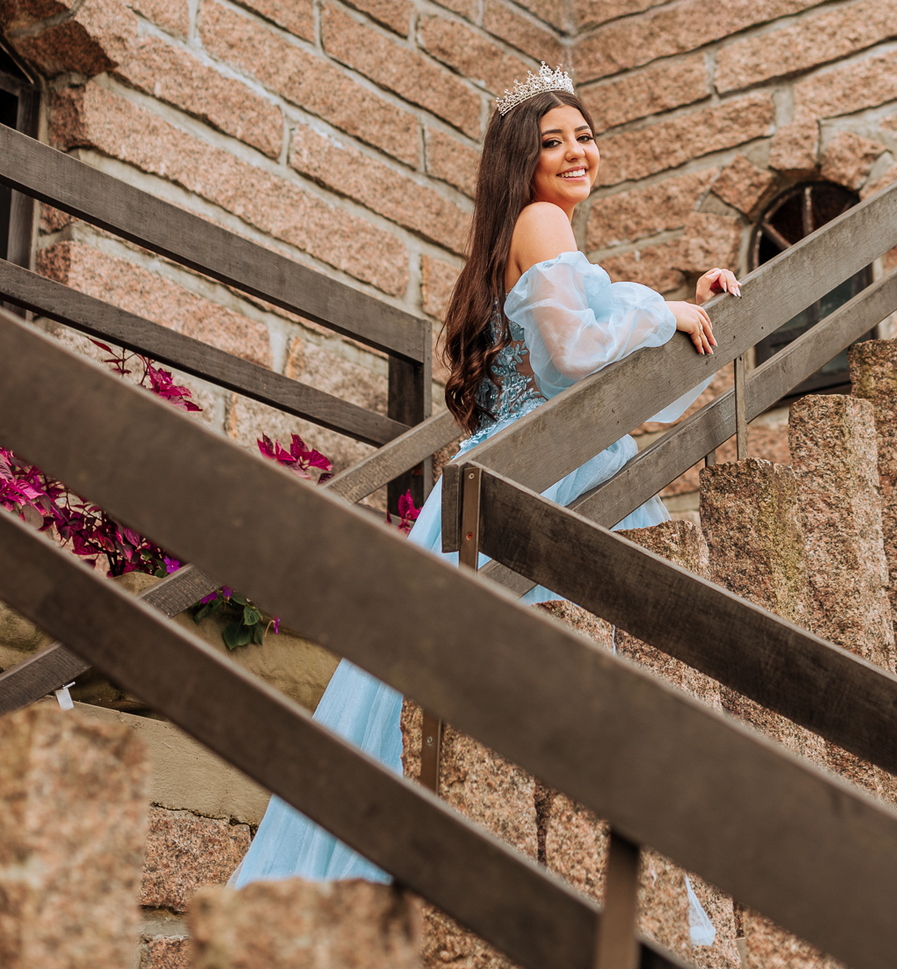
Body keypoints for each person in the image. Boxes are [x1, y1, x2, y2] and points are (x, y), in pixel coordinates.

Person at [232, 63, 740, 901]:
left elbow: (604, 379)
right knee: (560, 679)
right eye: (552, 142)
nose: (576, 153)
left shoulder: (532, 236)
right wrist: (662, 312)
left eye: (584, 136)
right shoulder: (542, 222)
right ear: (521, 162)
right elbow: (573, 354)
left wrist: (688, 309)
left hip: (535, 467)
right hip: (544, 478)